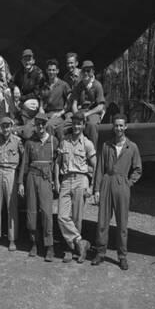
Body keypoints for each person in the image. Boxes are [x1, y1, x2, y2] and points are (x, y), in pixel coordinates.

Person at [92, 114, 142, 270]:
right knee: (102, 222)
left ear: (125, 127)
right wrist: (97, 189)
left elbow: (138, 169)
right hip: (107, 181)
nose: (119, 128)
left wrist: (129, 182)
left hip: (122, 184)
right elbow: (99, 168)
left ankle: (122, 256)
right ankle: (100, 253)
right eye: (116, 125)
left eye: (121, 125)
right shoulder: (106, 145)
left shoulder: (131, 147)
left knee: (122, 224)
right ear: (113, 127)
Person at [54, 112, 96, 264]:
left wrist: (91, 186)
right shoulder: (64, 141)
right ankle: (80, 242)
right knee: (62, 216)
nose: (76, 126)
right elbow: (58, 163)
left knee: (77, 218)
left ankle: (71, 250)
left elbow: (95, 165)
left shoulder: (87, 143)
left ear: (84, 125)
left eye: (79, 123)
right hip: (66, 180)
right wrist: (57, 181)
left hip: (80, 179)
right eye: (74, 123)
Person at [18, 113, 58, 262]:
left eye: (43, 124)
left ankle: (49, 246)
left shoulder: (54, 141)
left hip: (46, 178)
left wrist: (56, 180)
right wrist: (21, 182)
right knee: (31, 211)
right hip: (31, 178)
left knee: (47, 213)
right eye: (38, 124)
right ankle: (34, 242)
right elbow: (24, 164)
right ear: (35, 125)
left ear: (46, 124)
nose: (40, 126)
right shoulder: (30, 142)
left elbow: (58, 163)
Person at [0, 117, 24, 251]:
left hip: (12, 173)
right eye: (3, 126)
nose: (6, 129)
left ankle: (12, 239)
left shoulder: (17, 141)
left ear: (12, 127)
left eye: (8, 126)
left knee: (11, 207)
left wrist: (20, 181)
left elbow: (24, 160)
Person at [68, 60, 105, 148]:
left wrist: (87, 114)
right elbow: (74, 104)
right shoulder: (79, 86)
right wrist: (77, 115)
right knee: (65, 125)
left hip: (93, 112)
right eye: (84, 71)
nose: (86, 73)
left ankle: (92, 153)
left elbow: (100, 106)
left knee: (92, 126)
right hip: (80, 112)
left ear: (93, 72)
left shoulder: (97, 85)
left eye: (88, 71)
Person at [12, 49, 45, 124]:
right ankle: (16, 116)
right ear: (22, 61)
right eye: (25, 60)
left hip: (32, 100)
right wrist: (15, 87)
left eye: (29, 60)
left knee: (30, 105)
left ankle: (28, 120)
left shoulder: (39, 73)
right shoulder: (19, 72)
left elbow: (36, 93)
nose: (27, 62)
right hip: (20, 98)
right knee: (7, 92)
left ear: (33, 61)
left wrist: (21, 100)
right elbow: (10, 82)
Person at [40, 58, 71, 135]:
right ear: (46, 71)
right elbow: (41, 102)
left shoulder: (63, 85)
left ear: (57, 71)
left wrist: (61, 113)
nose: (51, 72)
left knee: (48, 125)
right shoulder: (44, 86)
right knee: (32, 126)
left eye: (53, 70)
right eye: (49, 70)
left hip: (57, 115)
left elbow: (70, 102)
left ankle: (50, 146)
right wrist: (41, 111)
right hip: (46, 114)